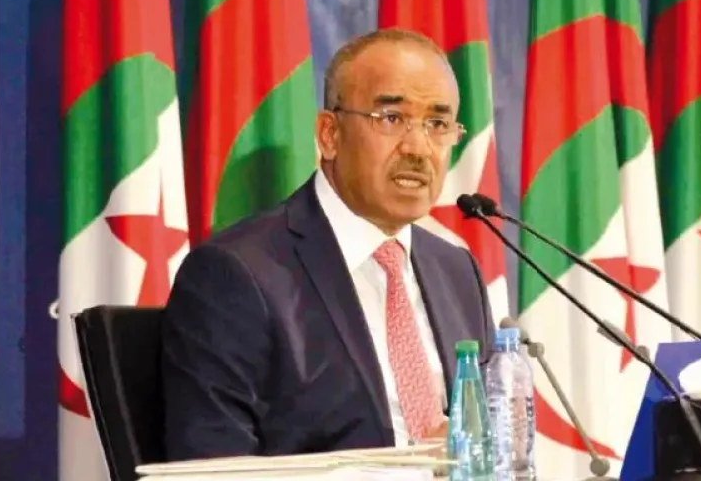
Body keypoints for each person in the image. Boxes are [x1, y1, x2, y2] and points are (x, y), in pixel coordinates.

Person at [160, 28, 497, 461]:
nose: (418, 148)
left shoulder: (457, 271)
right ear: (329, 135)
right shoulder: (235, 275)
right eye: (391, 118)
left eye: (437, 124)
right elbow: (213, 465)